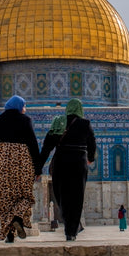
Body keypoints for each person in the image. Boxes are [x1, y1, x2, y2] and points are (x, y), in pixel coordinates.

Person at [0, 95, 42, 243]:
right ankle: (17, 218)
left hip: (1, 163)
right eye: (24, 106)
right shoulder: (26, 120)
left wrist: (2, 149)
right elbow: (33, 144)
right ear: (19, 106)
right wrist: (38, 168)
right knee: (24, 195)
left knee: (4, 199)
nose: (25, 109)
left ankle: (10, 234)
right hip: (21, 162)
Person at [49, 98, 96, 241]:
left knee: (61, 195)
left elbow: (49, 143)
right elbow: (92, 143)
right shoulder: (85, 123)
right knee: (76, 196)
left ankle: (71, 228)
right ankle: (73, 228)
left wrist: (39, 163)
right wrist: (90, 158)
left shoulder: (59, 122)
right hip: (78, 163)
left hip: (60, 163)